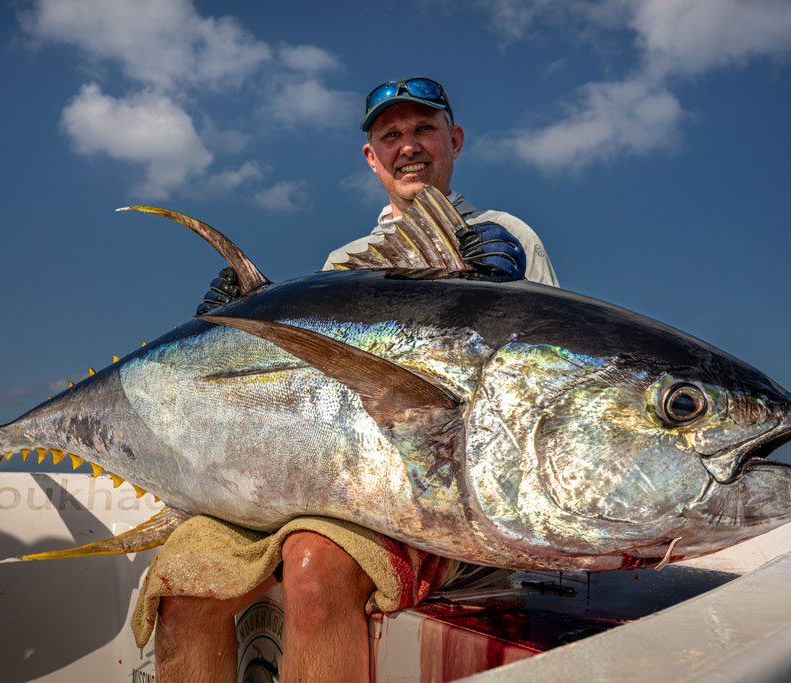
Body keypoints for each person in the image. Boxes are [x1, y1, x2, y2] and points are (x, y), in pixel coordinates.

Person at [155, 77, 558, 683]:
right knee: (183, 582)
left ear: (455, 139)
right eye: (391, 135)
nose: (410, 146)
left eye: (424, 129)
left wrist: (510, 294)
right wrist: (232, 326)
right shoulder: (344, 263)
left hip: (451, 505)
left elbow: (552, 382)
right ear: (372, 156)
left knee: (313, 566)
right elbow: (315, 396)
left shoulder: (509, 235)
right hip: (345, 484)